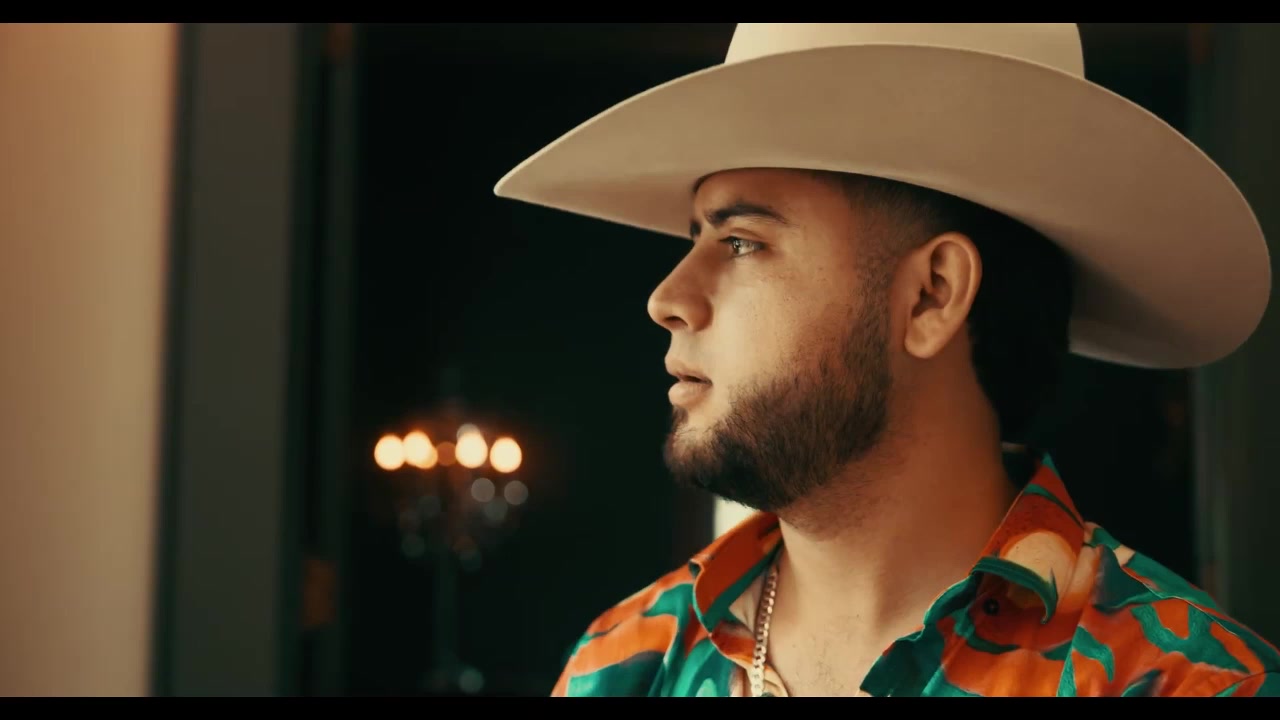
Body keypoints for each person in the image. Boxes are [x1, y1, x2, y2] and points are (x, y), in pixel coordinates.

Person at [493, 23, 1280, 697]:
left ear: (932, 296)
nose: (668, 297)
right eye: (693, 238)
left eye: (740, 242)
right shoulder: (623, 664)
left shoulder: (1183, 681)